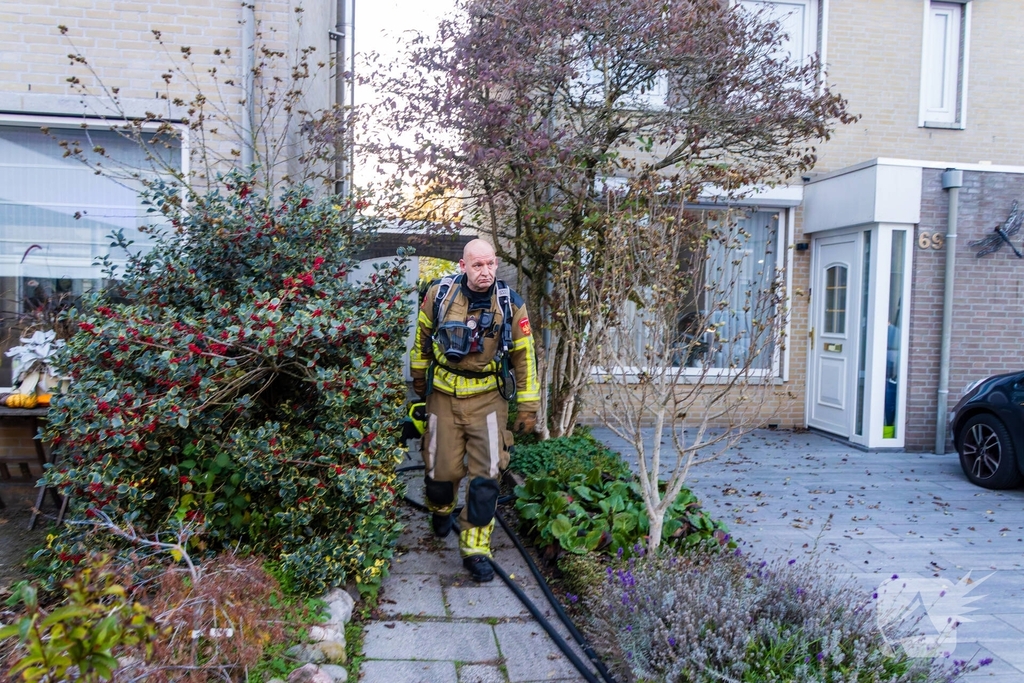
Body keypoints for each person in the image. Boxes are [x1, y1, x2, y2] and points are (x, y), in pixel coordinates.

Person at [410, 239, 539, 582]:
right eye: (477, 265)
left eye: (490, 264)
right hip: (443, 398)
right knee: (441, 473)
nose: (486, 272)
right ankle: (440, 508)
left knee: (486, 479)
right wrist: (418, 380)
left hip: (488, 401)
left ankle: (476, 550)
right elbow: (422, 339)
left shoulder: (510, 304)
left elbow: (525, 357)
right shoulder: (439, 296)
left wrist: (528, 405)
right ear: (463, 266)